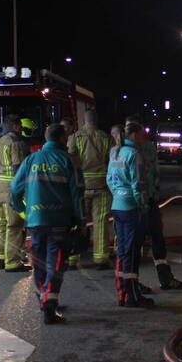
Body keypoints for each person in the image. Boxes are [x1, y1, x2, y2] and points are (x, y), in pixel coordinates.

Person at [11, 123, 84, 324]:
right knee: (57, 265)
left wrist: (24, 212)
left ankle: (45, 300)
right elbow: (77, 194)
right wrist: (81, 221)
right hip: (59, 222)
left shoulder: (30, 159)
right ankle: (49, 306)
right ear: (62, 139)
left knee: (40, 265)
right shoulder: (68, 160)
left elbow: (14, 190)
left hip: (35, 223)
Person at [125, 114, 182, 290]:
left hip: (137, 203)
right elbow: (151, 176)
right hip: (140, 204)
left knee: (149, 242)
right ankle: (139, 282)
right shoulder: (138, 149)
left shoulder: (122, 149)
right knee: (143, 243)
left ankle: (138, 282)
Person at [106, 122, 154, 308]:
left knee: (123, 251)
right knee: (133, 253)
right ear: (133, 135)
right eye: (142, 134)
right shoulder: (135, 154)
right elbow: (139, 184)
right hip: (131, 209)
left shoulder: (114, 152)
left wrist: (118, 194)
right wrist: (143, 206)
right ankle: (133, 296)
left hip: (117, 206)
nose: (144, 137)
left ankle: (122, 293)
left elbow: (109, 179)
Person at [67, 109, 113, 270]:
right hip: (102, 186)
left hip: (81, 188)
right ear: (97, 120)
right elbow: (112, 161)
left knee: (76, 222)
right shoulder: (107, 138)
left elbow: (70, 162)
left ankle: (72, 259)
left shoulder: (75, 138)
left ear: (84, 121)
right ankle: (101, 259)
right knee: (101, 222)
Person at [0, 115, 31, 273]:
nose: (22, 129)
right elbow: (18, 169)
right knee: (15, 225)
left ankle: (2, 257)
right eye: (20, 126)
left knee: (1, 224)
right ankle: (13, 262)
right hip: (12, 189)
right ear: (15, 126)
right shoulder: (16, 143)